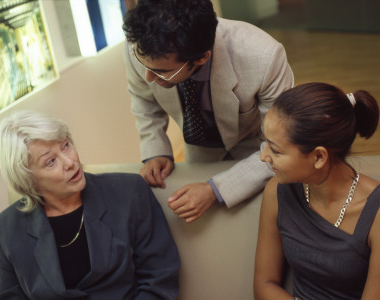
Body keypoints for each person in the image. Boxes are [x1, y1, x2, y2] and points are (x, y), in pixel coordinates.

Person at [122, 0, 294, 223]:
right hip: (199, 151)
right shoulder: (138, 47)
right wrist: (156, 151)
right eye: (145, 67)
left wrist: (216, 189)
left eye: (161, 73)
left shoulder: (264, 57)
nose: (149, 78)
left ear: (202, 57)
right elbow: (143, 99)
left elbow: (283, 147)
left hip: (258, 149)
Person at [0, 111, 180, 299]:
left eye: (65, 145)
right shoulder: (5, 228)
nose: (70, 162)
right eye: (51, 161)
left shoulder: (129, 192)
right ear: (28, 179)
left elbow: (160, 278)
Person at [254, 82, 380, 299]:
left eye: (275, 150)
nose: (264, 156)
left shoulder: (376, 213)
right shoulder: (277, 191)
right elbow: (264, 285)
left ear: (319, 157)